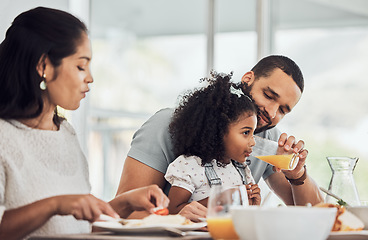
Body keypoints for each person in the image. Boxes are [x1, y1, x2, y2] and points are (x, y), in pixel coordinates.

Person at [0, 7, 169, 240]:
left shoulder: (66, 134)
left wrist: (127, 203)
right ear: (44, 66)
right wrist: (55, 204)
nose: (90, 77)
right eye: (81, 66)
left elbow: (80, 227)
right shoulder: (4, 137)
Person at [116, 55, 324, 221]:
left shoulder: (269, 140)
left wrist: (297, 174)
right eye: (269, 96)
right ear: (247, 79)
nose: (271, 112)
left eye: (283, 110)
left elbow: (317, 215)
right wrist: (174, 218)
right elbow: (122, 213)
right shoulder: (165, 126)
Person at [165, 71, 261, 214]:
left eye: (253, 134)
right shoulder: (191, 166)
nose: (252, 142)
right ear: (219, 131)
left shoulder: (242, 170)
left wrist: (252, 203)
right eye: (246, 133)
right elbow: (173, 210)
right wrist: (223, 198)